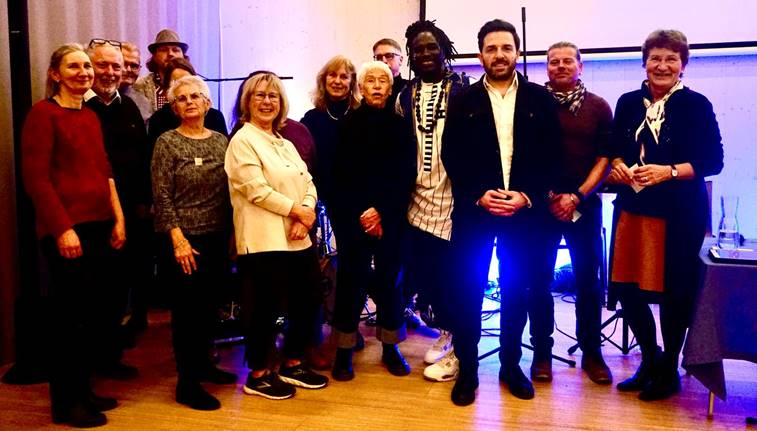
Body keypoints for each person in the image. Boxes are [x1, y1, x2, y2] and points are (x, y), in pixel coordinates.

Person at [441, 19, 563, 406]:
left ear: (517, 52)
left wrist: (526, 195)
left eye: (506, 48)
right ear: (481, 55)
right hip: (475, 213)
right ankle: (468, 370)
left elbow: (552, 155)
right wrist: (479, 194)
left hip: (524, 215)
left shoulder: (540, 99)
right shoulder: (463, 101)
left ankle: (511, 365)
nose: (499, 55)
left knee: (517, 289)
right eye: (491, 49)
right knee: (468, 289)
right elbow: (451, 155)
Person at [606, 29, 724, 401]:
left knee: (675, 293)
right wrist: (619, 164)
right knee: (627, 289)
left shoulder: (696, 105)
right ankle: (650, 359)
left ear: (682, 65)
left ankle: (670, 367)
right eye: (655, 58)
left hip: (679, 213)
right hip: (634, 207)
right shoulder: (628, 102)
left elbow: (713, 161)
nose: (662, 65)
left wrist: (668, 172)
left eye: (671, 59)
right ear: (645, 63)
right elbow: (615, 148)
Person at [21, 43, 126, 428]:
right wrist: (63, 228)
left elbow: (105, 171)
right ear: (55, 74)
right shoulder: (42, 114)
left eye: (86, 66)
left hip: (99, 226)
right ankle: (67, 403)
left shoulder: (90, 116)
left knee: (90, 316)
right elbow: (36, 179)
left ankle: (83, 391)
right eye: (74, 67)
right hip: (67, 231)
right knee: (68, 320)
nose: (84, 72)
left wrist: (118, 218)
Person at [225, 72, 329, 400]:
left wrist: (306, 214)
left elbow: (307, 181)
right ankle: (258, 374)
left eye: (273, 96)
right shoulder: (243, 140)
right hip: (263, 239)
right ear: (247, 102)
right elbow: (255, 189)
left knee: (308, 299)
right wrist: (297, 211)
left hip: (297, 236)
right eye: (259, 95)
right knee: (264, 309)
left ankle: (292, 362)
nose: (267, 101)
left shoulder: (284, 143)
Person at [151, 75, 237, 411]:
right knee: (187, 313)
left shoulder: (221, 142)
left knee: (210, 307)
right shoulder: (167, 143)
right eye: (182, 98)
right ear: (174, 108)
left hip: (217, 237)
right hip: (184, 241)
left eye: (195, 96)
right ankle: (187, 383)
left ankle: (203, 366)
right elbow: (161, 196)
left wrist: (233, 234)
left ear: (207, 103)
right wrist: (178, 240)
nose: (189, 102)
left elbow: (231, 191)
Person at [330, 61, 416, 381]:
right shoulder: (347, 125)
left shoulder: (401, 127)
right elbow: (341, 177)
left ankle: (391, 347)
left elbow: (405, 175)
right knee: (350, 281)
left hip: (391, 217)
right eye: (371, 81)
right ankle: (343, 351)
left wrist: (381, 210)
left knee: (390, 281)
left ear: (390, 88)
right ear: (361, 88)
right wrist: (364, 212)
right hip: (354, 218)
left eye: (383, 81)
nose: (377, 86)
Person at [395, 20, 467, 382]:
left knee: (456, 277)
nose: (424, 54)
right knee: (430, 278)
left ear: (444, 50)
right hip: (417, 200)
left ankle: (461, 352)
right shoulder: (404, 97)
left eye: (431, 47)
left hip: (456, 200)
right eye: (417, 49)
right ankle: (447, 332)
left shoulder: (464, 91)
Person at [543, 41, 613, 384]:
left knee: (588, 281)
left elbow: (605, 158)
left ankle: (592, 353)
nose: (560, 66)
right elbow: (524, 154)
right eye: (554, 61)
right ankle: (541, 352)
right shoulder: (534, 103)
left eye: (567, 61)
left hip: (584, 205)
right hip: (541, 205)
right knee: (537, 279)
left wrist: (577, 197)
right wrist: (549, 195)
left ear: (580, 66)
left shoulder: (599, 106)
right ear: (547, 67)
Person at [84, 39, 153, 358]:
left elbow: (142, 156)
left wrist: (143, 202)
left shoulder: (128, 106)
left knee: (120, 283)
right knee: (95, 285)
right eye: (102, 65)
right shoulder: (78, 107)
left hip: (130, 211)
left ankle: (110, 354)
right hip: (93, 212)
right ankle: (95, 357)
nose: (111, 72)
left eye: (117, 66)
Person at [301, 55, 361, 217]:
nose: (337, 81)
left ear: (352, 82)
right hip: (322, 202)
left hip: (358, 202)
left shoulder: (363, 116)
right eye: (332, 75)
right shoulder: (310, 119)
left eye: (344, 77)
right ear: (323, 79)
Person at [147, 57, 228, 150]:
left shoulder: (215, 117)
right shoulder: (158, 120)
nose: (184, 86)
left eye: (188, 80)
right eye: (177, 82)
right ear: (166, 90)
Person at [133, 29, 188, 117]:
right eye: (164, 50)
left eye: (175, 50)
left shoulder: (194, 84)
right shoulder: (140, 85)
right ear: (154, 56)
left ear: (183, 56)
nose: (170, 54)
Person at [119, 42, 152, 121]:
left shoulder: (144, 102)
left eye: (134, 66)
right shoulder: (99, 97)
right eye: (124, 64)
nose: (129, 70)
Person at [372, 38, 407, 109]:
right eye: (379, 57)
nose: (384, 61)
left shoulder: (409, 88)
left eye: (389, 56)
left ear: (400, 60)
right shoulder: (371, 90)